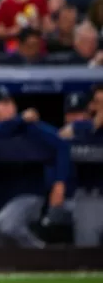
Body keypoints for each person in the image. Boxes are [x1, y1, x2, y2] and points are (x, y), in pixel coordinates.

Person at [0, 87, 69, 248]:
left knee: (5, 223)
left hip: (29, 195)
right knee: (0, 242)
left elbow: (61, 144)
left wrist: (59, 183)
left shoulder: (29, 127)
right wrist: (18, 120)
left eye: (10, 102)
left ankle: (41, 252)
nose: (9, 107)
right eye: (2, 104)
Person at [60, 86, 102, 247]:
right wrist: (92, 128)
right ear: (92, 106)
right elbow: (61, 137)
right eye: (99, 103)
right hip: (91, 198)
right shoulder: (80, 128)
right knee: (87, 257)